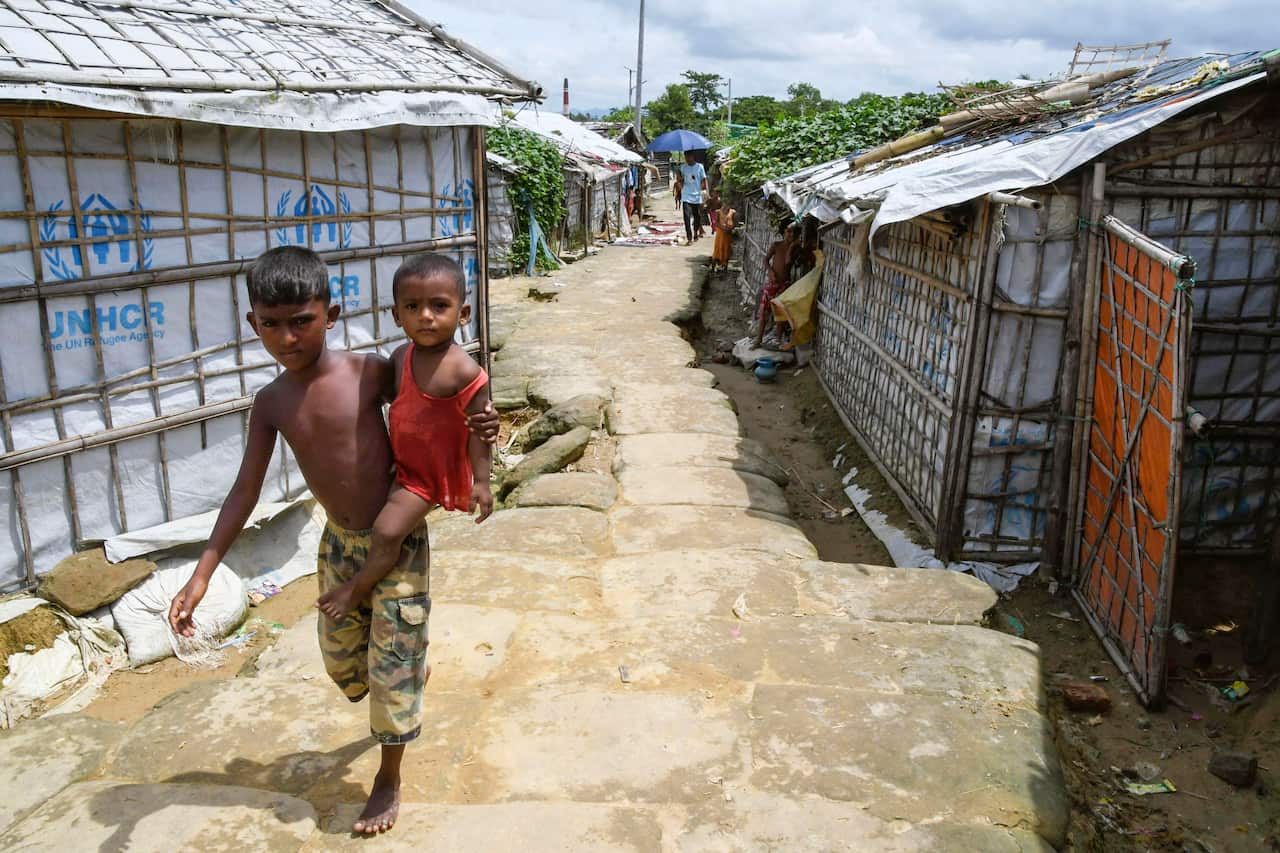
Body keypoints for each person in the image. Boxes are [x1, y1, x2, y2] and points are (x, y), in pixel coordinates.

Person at [167, 246, 498, 836]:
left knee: (390, 668)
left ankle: (388, 776)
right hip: (339, 545)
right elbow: (244, 491)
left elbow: (438, 383)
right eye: (272, 324)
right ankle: (406, 670)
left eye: (302, 321)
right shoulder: (271, 403)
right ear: (253, 324)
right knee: (344, 662)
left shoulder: (370, 372)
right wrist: (202, 574)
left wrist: (480, 428)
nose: (287, 337)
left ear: (331, 315)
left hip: (396, 540)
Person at [754, 222, 800, 347]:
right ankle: (758, 339)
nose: (791, 234)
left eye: (793, 232)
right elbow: (766, 259)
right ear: (783, 232)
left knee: (781, 312)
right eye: (788, 231)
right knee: (764, 311)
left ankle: (777, 339)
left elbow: (788, 262)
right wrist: (770, 271)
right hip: (773, 282)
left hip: (785, 284)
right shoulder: (776, 245)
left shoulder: (795, 249)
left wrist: (791, 247)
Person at [678, 150, 708, 244]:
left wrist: (706, 192)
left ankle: (695, 232)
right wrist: (679, 181)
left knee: (697, 216)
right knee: (686, 217)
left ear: (693, 156)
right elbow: (680, 181)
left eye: (689, 156)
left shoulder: (700, 167)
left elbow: (704, 180)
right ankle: (689, 238)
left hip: (697, 195)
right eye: (686, 157)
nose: (687, 159)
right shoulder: (683, 168)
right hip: (686, 195)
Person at [711, 197, 737, 274]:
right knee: (718, 248)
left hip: (728, 234)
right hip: (720, 233)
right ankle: (713, 267)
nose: (726, 206)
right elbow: (716, 223)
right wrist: (723, 228)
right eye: (725, 204)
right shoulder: (718, 212)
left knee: (727, 249)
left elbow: (735, 222)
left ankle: (725, 267)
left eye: (728, 204)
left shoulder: (732, 212)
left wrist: (730, 228)